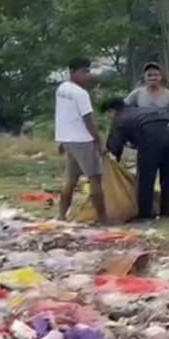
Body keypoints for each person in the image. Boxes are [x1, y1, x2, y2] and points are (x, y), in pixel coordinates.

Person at [103, 98, 169, 221]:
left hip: (150, 137)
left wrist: (113, 161)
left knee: (146, 178)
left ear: (111, 111)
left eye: (108, 115)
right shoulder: (139, 110)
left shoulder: (120, 118)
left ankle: (145, 214)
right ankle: (166, 212)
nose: (109, 118)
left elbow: (114, 146)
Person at [54, 57, 108, 224]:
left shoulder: (62, 88)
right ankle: (103, 219)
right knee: (95, 179)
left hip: (68, 139)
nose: (87, 76)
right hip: (83, 140)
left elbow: (63, 115)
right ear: (72, 72)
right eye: (83, 72)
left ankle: (61, 216)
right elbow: (88, 120)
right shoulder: (80, 93)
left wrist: (62, 140)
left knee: (70, 180)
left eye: (88, 71)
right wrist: (99, 142)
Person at [123, 63, 169, 137]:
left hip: (163, 133)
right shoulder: (137, 93)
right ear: (145, 77)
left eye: (155, 75)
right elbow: (124, 106)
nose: (152, 78)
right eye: (149, 75)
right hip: (142, 134)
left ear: (160, 77)